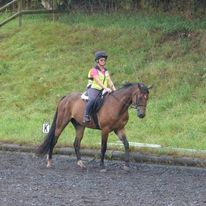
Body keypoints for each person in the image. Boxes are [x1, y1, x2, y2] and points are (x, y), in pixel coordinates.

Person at [83, 51, 116, 123]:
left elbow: (109, 81)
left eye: (104, 60)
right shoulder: (93, 70)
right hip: (93, 88)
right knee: (93, 99)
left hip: (102, 89)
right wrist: (106, 88)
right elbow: (98, 81)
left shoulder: (106, 71)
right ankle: (86, 115)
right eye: (101, 60)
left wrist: (115, 90)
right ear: (97, 61)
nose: (103, 61)